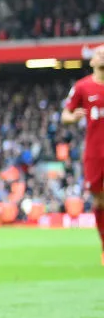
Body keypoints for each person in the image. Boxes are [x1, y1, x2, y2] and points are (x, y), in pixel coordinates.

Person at [60, 44, 104, 265]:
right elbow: (65, 115)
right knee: (98, 200)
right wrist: (74, 117)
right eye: (99, 53)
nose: (103, 54)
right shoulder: (83, 87)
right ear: (92, 61)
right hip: (95, 152)